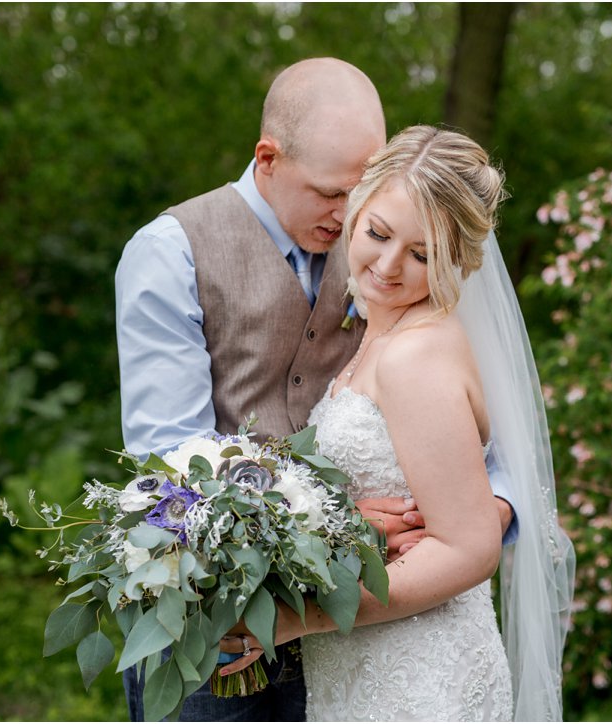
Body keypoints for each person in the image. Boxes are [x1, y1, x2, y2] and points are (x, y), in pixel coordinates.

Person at [115, 58, 516, 721]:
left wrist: (473, 521)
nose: (351, 214)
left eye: (361, 193)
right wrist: (334, 530)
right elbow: (175, 461)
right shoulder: (170, 253)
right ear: (268, 159)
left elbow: (479, 452)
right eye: (333, 194)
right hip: (216, 628)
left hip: (379, 633)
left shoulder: (389, 250)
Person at [223, 126, 575, 721]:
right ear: (355, 212)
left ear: (458, 260)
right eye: (378, 234)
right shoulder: (378, 333)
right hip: (368, 663)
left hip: (417, 674)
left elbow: (467, 549)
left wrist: (290, 621)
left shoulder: (417, 354)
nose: (387, 266)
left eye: (422, 254)